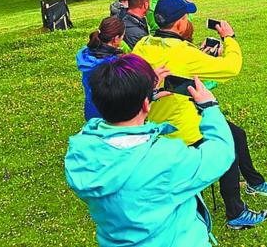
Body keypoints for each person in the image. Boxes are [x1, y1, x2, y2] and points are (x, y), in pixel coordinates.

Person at [133, 0, 267, 230]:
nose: (189, 20)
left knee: (237, 134)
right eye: (186, 17)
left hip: (158, 122)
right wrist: (229, 38)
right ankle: (236, 212)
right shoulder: (183, 52)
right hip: (184, 127)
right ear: (180, 23)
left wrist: (200, 54)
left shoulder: (144, 43)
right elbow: (231, 67)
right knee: (226, 146)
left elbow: (177, 67)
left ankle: (254, 182)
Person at [65, 54, 235, 247]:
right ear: (146, 105)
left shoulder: (82, 150)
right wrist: (209, 107)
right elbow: (222, 153)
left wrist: (136, 93)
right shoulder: (164, 158)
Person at [76, 17, 127, 120]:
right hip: (112, 116)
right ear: (116, 39)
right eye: (122, 37)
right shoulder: (114, 64)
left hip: (91, 111)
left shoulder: (88, 56)